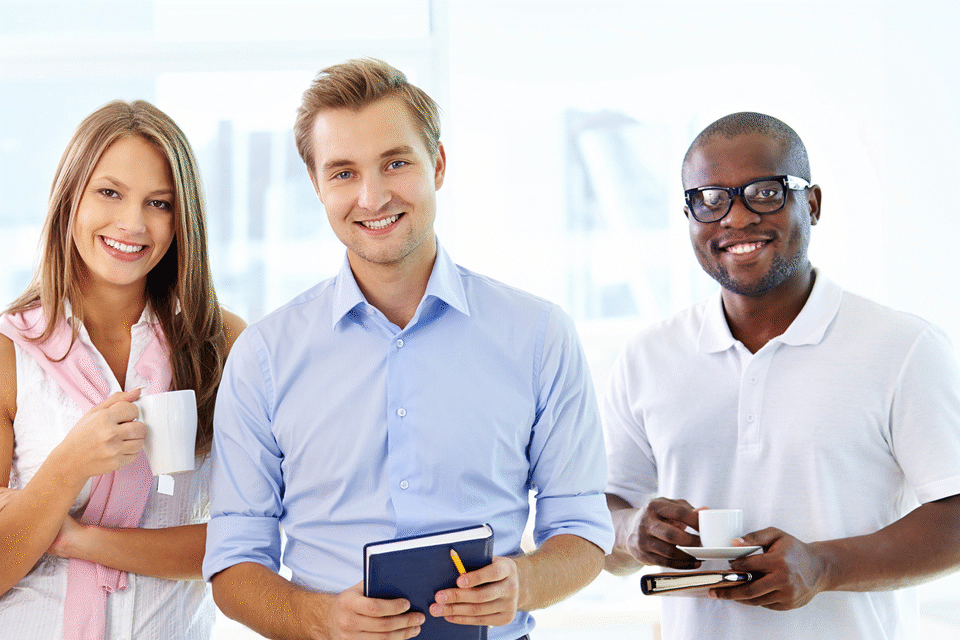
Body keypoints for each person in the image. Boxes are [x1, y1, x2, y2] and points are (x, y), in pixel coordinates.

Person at [203, 58, 614, 640]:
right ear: (317, 184)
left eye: (395, 163)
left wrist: (522, 583)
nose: (372, 197)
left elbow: (583, 531)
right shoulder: (264, 356)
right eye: (343, 173)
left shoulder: (539, 335)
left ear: (438, 164)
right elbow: (233, 564)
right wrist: (322, 618)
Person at [602, 111, 960, 639]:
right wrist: (633, 532)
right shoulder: (648, 356)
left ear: (811, 204)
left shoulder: (903, 347)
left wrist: (822, 566)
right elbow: (596, 518)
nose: (736, 218)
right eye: (710, 198)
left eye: (764, 193)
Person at [0, 100, 246, 639]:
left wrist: (73, 538)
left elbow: (238, 543)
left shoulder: (222, 343)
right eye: (109, 193)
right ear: (71, 198)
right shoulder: (9, 351)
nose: (132, 224)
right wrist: (69, 464)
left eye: (159, 202)